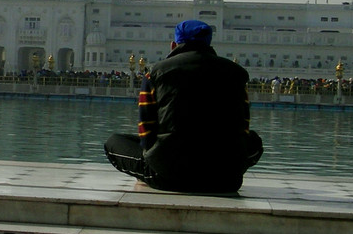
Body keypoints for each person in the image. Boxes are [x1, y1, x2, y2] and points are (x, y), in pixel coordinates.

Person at [104, 19, 262, 193]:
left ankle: (148, 175)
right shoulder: (237, 74)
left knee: (114, 143)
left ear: (173, 45)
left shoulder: (155, 73)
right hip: (225, 178)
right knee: (255, 142)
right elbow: (243, 128)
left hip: (168, 177)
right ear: (209, 43)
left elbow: (146, 132)